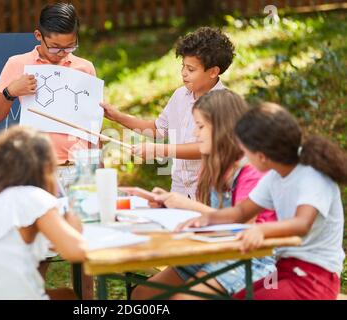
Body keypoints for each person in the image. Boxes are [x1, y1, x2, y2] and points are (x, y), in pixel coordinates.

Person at [181, 102, 346, 300]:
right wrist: (206, 220)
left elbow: (302, 224)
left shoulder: (311, 174)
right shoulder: (275, 176)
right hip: (285, 269)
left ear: (261, 155)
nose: (243, 157)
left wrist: (260, 230)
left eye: (244, 151)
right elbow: (241, 212)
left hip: (315, 278)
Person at [131, 90, 276, 300]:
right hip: (217, 246)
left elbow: (244, 224)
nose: (196, 134)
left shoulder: (251, 169)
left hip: (252, 257)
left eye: (200, 127)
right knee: (142, 294)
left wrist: (186, 205)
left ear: (221, 127)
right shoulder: (213, 164)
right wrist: (170, 206)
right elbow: (210, 217)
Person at [0, 126, 87, 300]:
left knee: (65, 295)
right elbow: (76, 251)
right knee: (69, 296)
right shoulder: (31, 197)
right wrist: (73, 222)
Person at [100, 27, 235, 199]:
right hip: (179, 187)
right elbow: (157, 129)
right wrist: (117, 116)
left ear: (213, 72)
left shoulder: (224, 102)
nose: (184, 73)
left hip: (210, 190)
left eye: (191, 69)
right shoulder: (180, 96)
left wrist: (160, 150)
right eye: (183, 67)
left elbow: (206, 147)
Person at [0, 3, 98, 190]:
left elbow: (93, 125)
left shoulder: (85, 68)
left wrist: (97, 167)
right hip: (34, 167)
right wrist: (10, 91)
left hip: (77, 166)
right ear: (39, 36)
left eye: (70, 47)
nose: (62, 54)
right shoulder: (17, 64)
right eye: (55, 47)